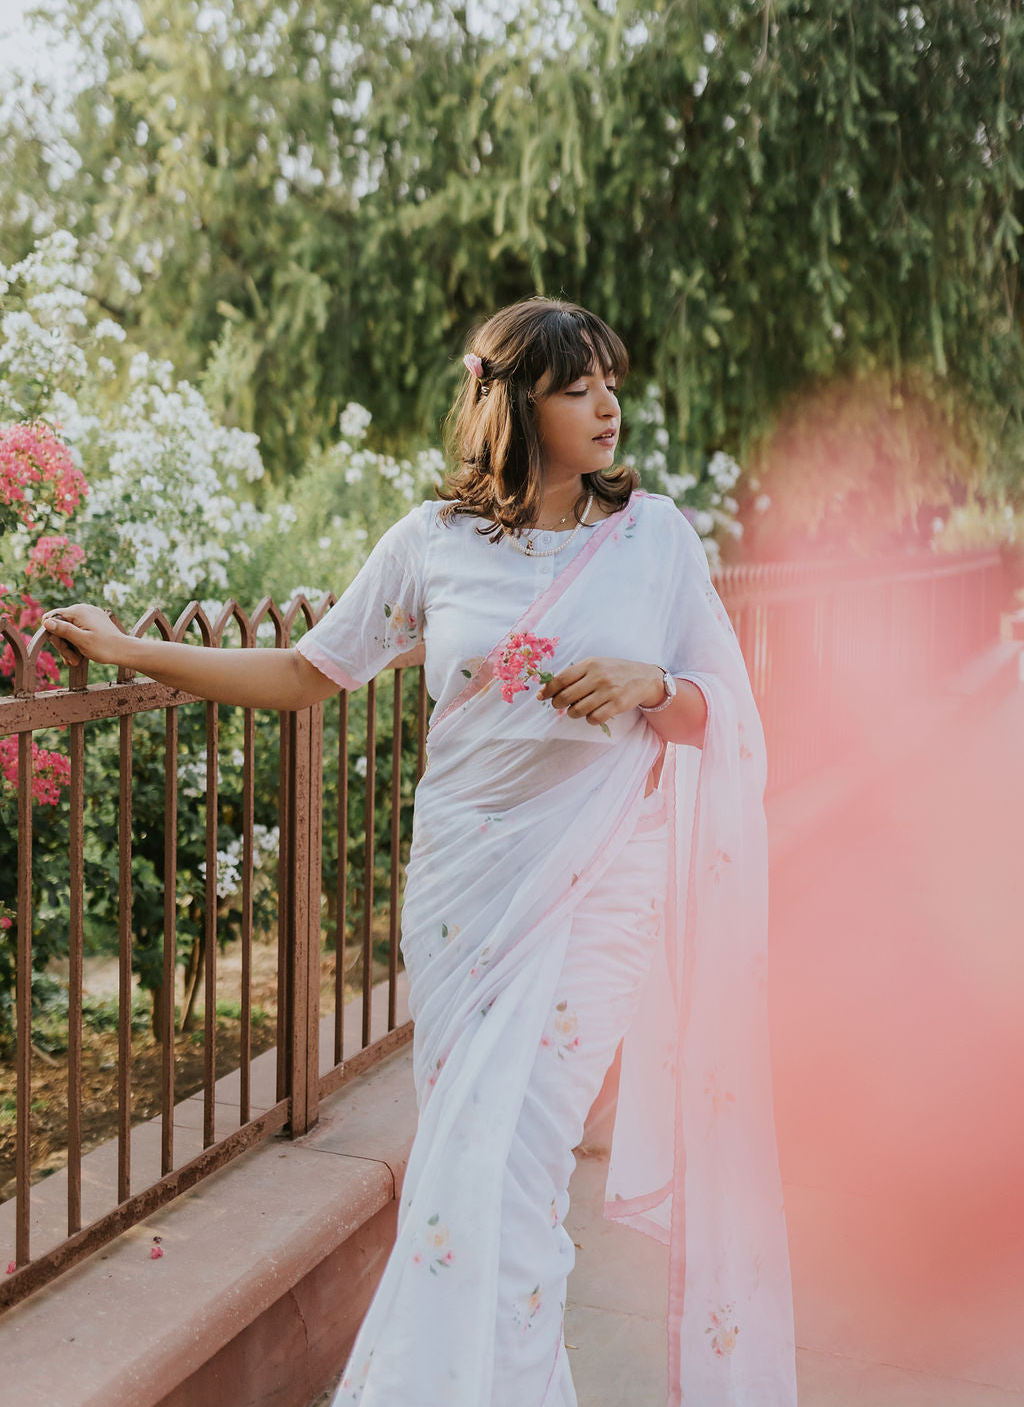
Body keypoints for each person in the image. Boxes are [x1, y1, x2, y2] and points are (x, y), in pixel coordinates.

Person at [42, 297, 798, 1406]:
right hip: (460, 898)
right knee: (468, 1177)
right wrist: (128, 650)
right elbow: (309, 672)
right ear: (512, 403)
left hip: (591, 897)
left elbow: (727, 715)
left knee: (507, 1171)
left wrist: (655, 686)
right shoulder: (431, 545)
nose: (608, 404)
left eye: (610, 381)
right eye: (577, 385)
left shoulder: (655, 541)